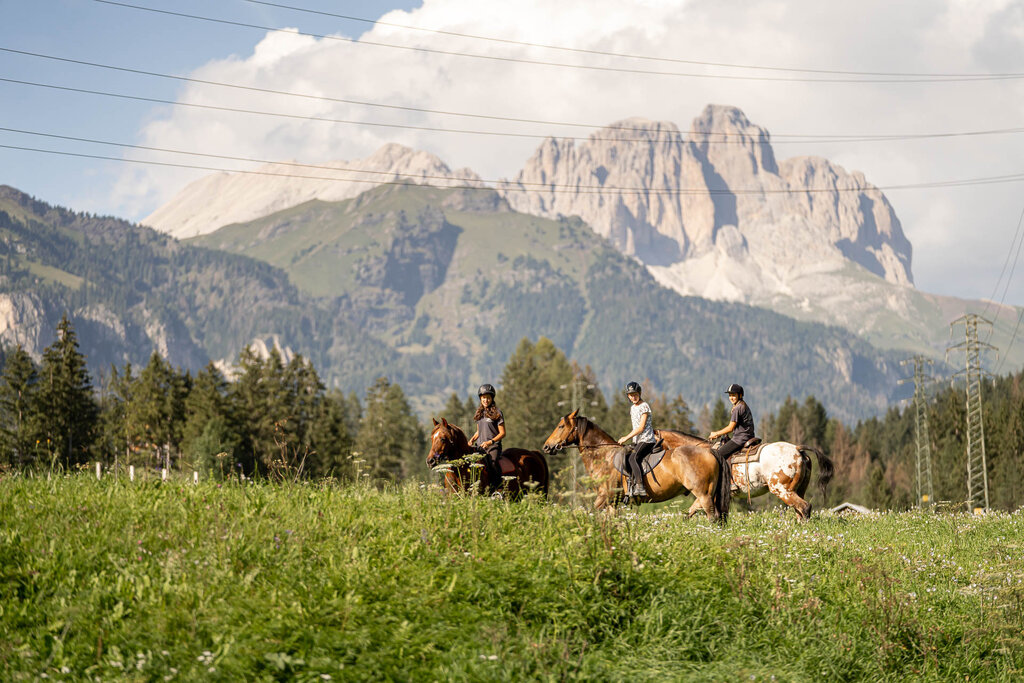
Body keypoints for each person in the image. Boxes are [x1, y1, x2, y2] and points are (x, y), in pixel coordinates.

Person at [617, 381, 656, 500]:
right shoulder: (633, 408)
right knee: (625, 457)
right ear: (628, 396)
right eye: (630, 395)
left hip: (647, 440)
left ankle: (640, 486)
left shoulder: (644, 406)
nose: (633, 397)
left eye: (635, 394)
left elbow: (641, 427)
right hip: (638, 440)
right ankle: (630, 486)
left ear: (639, 393)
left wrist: (625, 438)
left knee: (633, 458)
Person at [469, 383, 505, 491]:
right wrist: (471, 440)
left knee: (493, 463)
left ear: (492, 398)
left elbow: (502, 433)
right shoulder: (479, 413)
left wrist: (490, 442)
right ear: (480, 399)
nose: (486, 400)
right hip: (480, 447)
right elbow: (479, 431)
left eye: (488, 398)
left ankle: (498, 489)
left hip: (493, 447)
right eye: (484, 398)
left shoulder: (497, 413)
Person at [708, 383, 756, 459]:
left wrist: (716, 433)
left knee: (717, 456)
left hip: (740, 439)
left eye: (733, 395)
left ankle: (726, 471)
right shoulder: (743, 405)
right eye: (730, 395)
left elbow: (730, 428)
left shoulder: (737, 408)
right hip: (749, 436)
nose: (731, 398)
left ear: (740, 395)